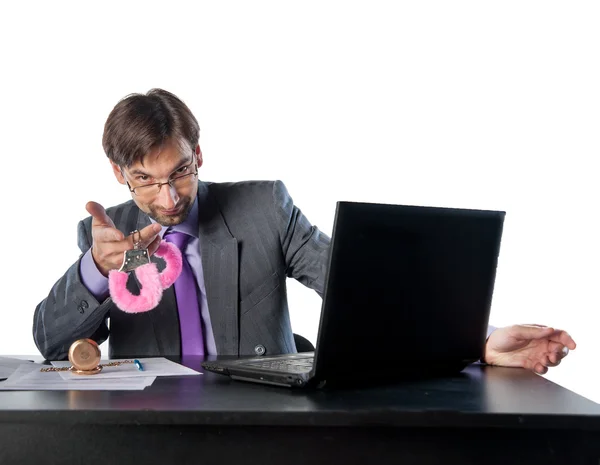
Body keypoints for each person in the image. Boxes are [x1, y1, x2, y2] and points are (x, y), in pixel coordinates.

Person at [33, 89, 576, 374]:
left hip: (264, 422)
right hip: (153, 433)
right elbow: (49, 343)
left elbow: (359, 290)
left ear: (198, 153)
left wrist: (476, 341)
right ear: (117, 174)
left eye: (180, 172)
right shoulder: (106, 233)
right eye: (144, 182)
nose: (168, 198)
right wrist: (96, 273)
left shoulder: (264, 206)